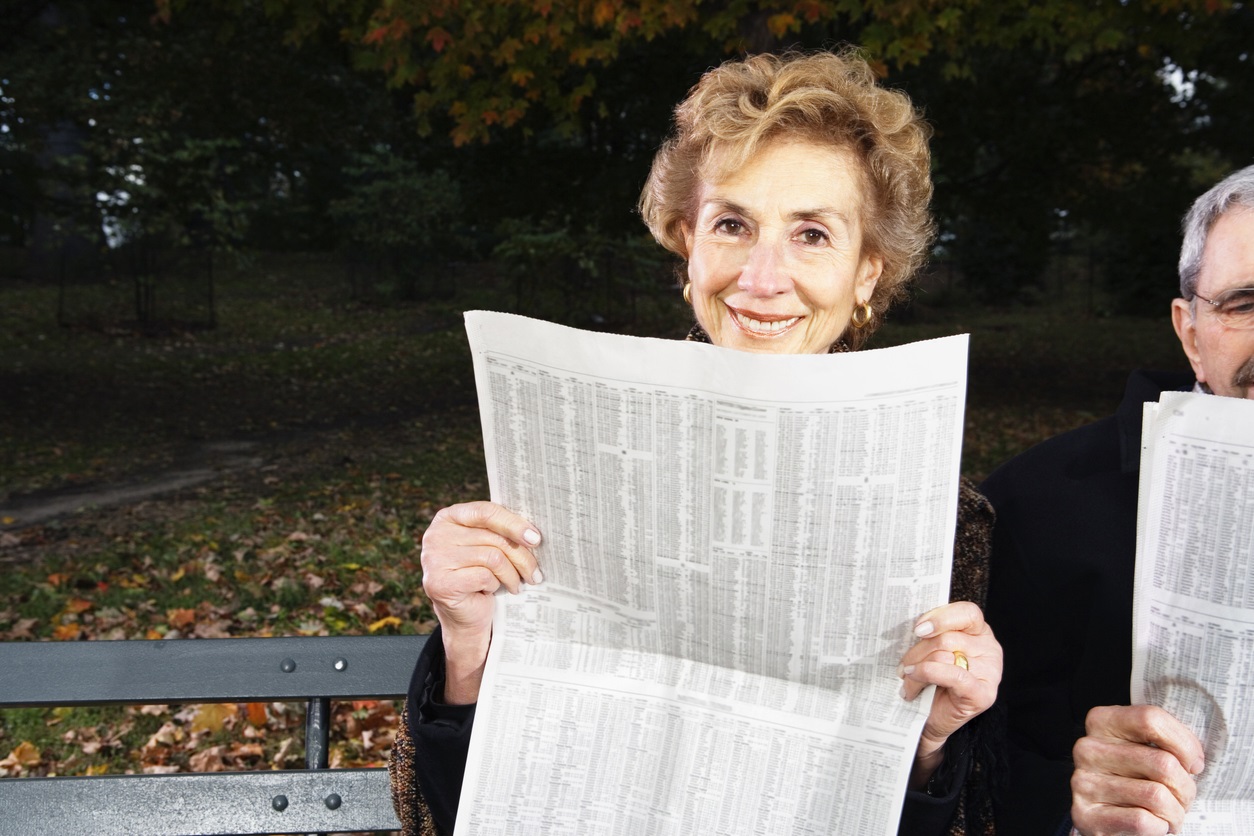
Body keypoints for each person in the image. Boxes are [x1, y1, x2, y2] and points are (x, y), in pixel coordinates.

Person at [390, 49, 1003, 836]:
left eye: (812, 234)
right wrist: (467, 649)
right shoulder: (564, 458)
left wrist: (932, 745)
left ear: (865, 275)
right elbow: (424, 819)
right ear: (688, 249)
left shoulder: (947, 524)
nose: (761, 276)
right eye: (732, 225)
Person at [981, 163, 1254, 836]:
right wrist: (1072, 803)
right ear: (1189, 332)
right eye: (1247, 304)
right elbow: (963, 768)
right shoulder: (1030, 509)